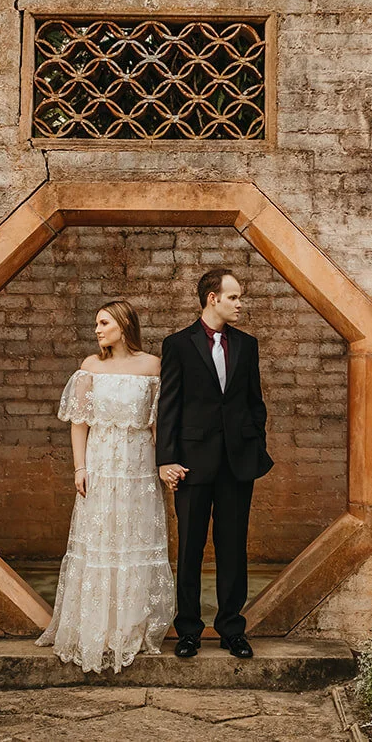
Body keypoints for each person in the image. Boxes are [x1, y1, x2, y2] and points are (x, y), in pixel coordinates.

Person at [36, 299, 174, 672]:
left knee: (133, 541)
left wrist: (164, 464)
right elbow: (79, 423)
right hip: (100, 466)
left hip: (138, 468)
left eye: (103, 323)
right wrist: (79, 468)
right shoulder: (90, 368)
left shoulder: (153, 366)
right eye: (97, 324)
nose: (97, 330)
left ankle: (129, 629)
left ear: (124, 325)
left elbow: (158, 424)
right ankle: (96, 628)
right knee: (100, 541)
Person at [156, 268, 273, 659]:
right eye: (234, 297)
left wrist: (255, 443)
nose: (240, 304)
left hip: (237, 463)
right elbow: (169, 405)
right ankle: (188, 630)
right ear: (212, 298)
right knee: (190, 547)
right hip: (192, 463)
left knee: (233, 547)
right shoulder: (178, 344)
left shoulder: (247, 345)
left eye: (239, 298)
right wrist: (166, 459)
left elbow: (255, 402)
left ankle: (231, 628)